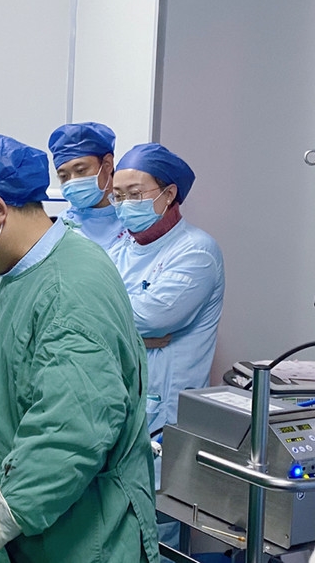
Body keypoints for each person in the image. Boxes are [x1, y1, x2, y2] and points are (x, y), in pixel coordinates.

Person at [0, 130, 159, 563]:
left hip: (85, 535)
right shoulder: (13, 272)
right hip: (34, 525)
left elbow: (70, 432)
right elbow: (5, 384)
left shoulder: (71, 287)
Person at [108, 143, 225, 447]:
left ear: (169, 193)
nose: (124, 204)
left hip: (165, 407)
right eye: (118, 196)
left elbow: (149, 318)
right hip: (119, 393)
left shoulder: (196, 251)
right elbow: (82, 306)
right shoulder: (120, 248)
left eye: (135, 194)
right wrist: (134, 337)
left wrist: (118, 327)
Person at [48, 121, 125, 250]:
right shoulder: (60, 228)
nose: (73, 181)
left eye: (81, 170)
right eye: (64, 176)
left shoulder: (135, 218)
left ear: (107, 164)